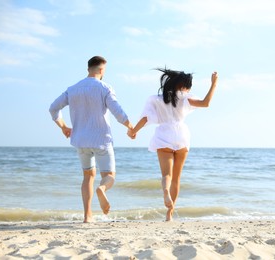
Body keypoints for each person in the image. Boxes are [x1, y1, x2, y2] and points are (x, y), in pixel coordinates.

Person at [49, 56, 133, 223]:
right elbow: (118, 112)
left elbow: (53, 108)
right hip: (101, 139)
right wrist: (130, 127)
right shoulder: (105, 87)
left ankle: (87, 216)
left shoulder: (72, 89)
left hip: (80, 140)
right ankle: (102, 189)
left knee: (88, 176)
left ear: (88, 69)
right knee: (109, 175)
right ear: (101, 70)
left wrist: (63, 127)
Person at [128, 68, 218, 221]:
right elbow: (206, 103)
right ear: (183, 86)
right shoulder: (185, 98)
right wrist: (214, 84)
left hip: (164, 135)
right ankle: (169, 214)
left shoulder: (156, 99)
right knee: (177, 178)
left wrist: (133, 132)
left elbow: (145, 118)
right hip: (181, 135)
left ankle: (165, 191)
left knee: (166, 175)